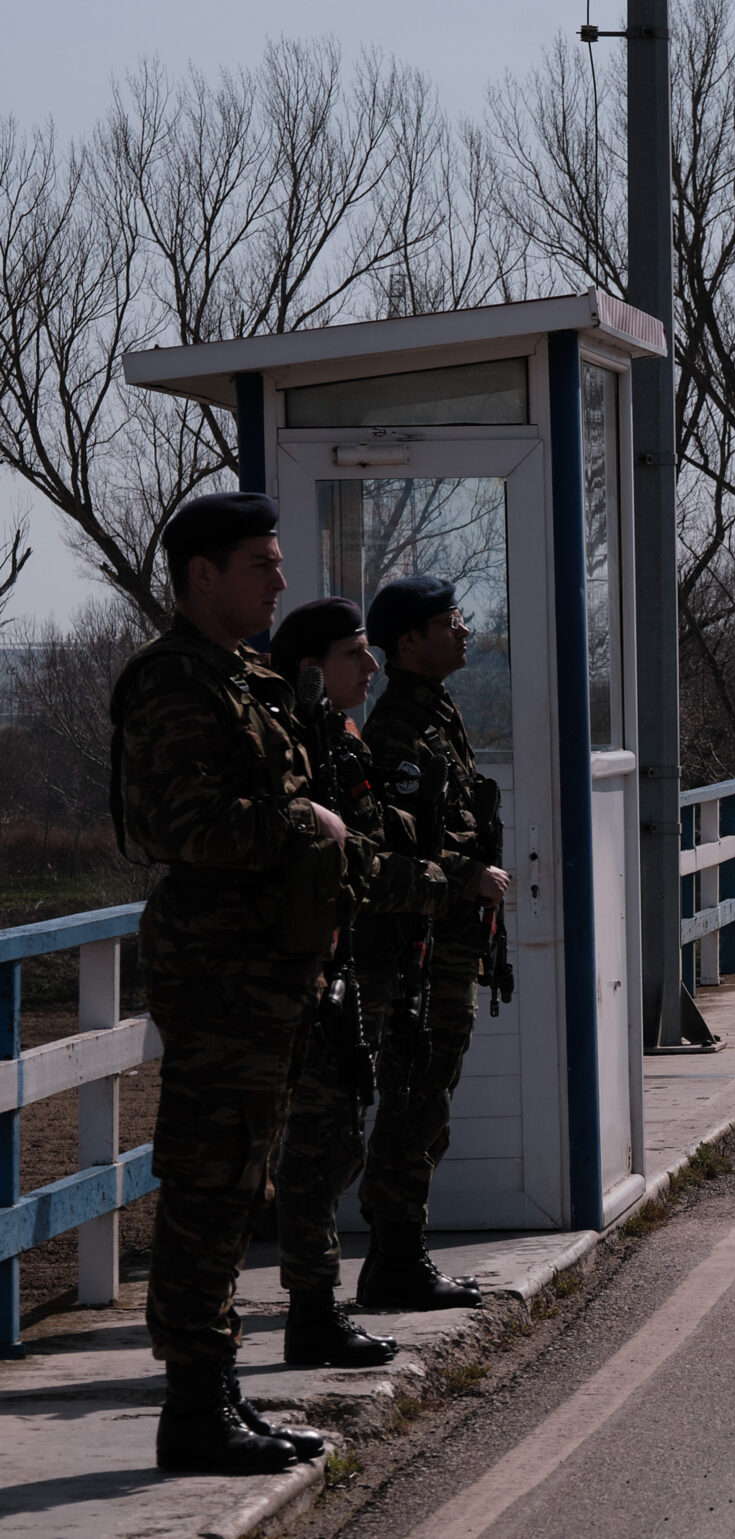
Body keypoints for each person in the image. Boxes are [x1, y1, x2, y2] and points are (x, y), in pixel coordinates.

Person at [111, 491, 339, 1474]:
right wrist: (305, 826)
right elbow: (180, 826)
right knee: (210, 1181)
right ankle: (195, 1410)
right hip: (217, 969)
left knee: (243, 1178)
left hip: (264, 965)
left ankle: (219, 1393)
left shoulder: (245, 676)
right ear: (201, 576)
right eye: (261, 564)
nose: (281, 580)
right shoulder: (174, 681)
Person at [270, 597, 446, 1368]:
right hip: (308, 966)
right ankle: (311, 1313)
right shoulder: (295, 742)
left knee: (338, 1134)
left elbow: (372, 832)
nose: (372, 666)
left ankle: (319, 1307)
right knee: (317, 1145)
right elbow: (343, 857)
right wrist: (432, 880)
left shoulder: (339, 736)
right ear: (313, 668)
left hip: (349, 962)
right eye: (355, 653)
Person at [354, 576, 511, 1312]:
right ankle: (395, 1261)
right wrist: (468, 874)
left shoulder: (435, 715)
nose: (463, 631)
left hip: (446, 941)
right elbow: (391, 847)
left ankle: (399, 1256)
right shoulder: (398, 732)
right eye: (450, 621)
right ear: (410, 640)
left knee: (429, 1098)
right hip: (417, 948)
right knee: (415, 1100)